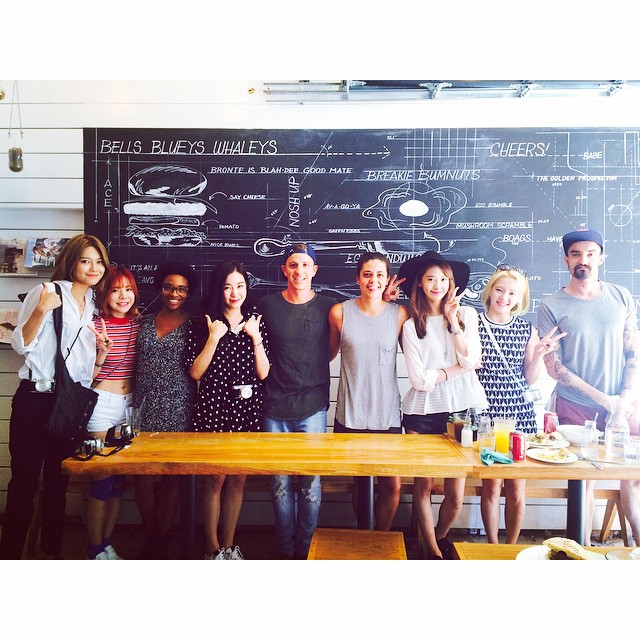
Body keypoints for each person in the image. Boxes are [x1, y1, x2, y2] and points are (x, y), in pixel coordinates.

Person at [0, 234, 109, 559]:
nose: (93, 268)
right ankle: (10, 559)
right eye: (86, 260)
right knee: (24, 486)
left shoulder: (91, 304)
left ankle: (50, 557)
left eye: (99, 262)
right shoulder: (46, 291)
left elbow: (80, 370)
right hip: (35, 400)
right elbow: (20, 344)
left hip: (67, 404)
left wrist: (100, 357)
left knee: (57, 486)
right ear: (71, 262)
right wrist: (40, 311)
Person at [538, 227, 640, 544]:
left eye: (590, 253)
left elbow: (632, 352)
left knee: (634, 478)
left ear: (601, 258)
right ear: (566, 260)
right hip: (575, 406)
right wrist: (604, 400)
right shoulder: (551, 305)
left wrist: (624, 399)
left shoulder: (621, 296)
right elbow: (555, 367)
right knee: (584, 482)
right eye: (576, 254)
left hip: (626, 404)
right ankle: (579, 552)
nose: (583, 259)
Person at [398, 250, 488, 559]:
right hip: (422, 413)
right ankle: (433, 553)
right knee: (423, 486)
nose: (437, 285)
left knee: (456, 495)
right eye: (430, 279)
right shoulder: (411, 326)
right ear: (420, 284)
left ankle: (435, 537)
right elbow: (419, 380)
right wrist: (455, 370)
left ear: (452, 283)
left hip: (463, 411)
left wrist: (453, 320)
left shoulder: (468, 316)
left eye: (443, 279)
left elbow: (471, 359)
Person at [185, 261, 270, 560]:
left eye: (240, 286)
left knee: (238, 479)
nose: (235, 293)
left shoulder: (256, 322)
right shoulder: (203, 322)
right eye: (227, 286)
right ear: (218, 289)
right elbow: (195, 372)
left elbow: (263, 373)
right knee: (215, 479)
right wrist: (213, 338)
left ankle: (230, 546)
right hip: (213, 409)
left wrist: (255, 337)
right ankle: (212, 549)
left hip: (246, 411)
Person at [257, 243, 336, 559]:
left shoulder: (329, 307)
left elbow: (333, 349)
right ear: (284, 270)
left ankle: (306, 549)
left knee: (310, 485)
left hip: (312, 407)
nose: (299, 271)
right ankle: (286, 551)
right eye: (293, 265)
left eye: (305, 265)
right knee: (279, 485)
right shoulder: (267, 305)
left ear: (314, 270)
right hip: (274, 407)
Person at [477, 265, 564, 544]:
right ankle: (493, 547)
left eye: (512, 293)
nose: (504, 297)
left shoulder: (527, 329)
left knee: (516, 488)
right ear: (490, 290)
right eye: (499, 290)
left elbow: (529, 378)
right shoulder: (473, 323)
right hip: (486, 414)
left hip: (519, 415)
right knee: (491, 487)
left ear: (520, 298)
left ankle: (511, 547)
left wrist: (538, 354)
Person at [328, 251, 408, 530]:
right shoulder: (340, 312)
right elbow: (327, 354)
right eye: (367, 274)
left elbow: (419, 351)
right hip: (351, 413)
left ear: (387, 280)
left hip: (387, 414)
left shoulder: (400, 314)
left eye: (380, 275)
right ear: (357, 279)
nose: (373, 280)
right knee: (361, 484)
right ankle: (365, 536)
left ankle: (381, 538)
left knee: (392, 485)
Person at [133, 261, 198, 559]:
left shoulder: (196, 324)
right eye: (169, 287)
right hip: (143, 407)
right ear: (160, 288)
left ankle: (163, 537)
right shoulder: (142, 322)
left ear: (189, 292)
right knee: (142, 477)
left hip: (179, 406)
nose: (174, 294)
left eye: (181, 289)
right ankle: (151, 536)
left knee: (172, 477)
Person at [84, 266, 140, 559]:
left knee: (119, 481)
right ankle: (94, 549)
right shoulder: (94, 325)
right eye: (116, 290)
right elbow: (84, 378)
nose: (123, 296)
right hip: (102, 405)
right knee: (102, 478)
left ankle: (107, 544)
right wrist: (102, 353)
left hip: (129, 408)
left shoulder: (138, 324)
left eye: (128, 289)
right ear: (104, 293)